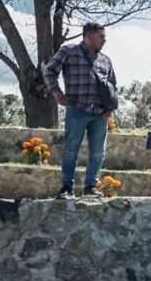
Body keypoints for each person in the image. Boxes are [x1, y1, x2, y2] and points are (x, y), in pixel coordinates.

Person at [43, 22, 117, 199]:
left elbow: (112, 85)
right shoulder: (68, 51)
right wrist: (57, 93)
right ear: (88, 35)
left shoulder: (106, 60)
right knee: (71, 150)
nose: (104, 40)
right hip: (76, 110)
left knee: (98, 153)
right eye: (101, 36)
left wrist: (110, 108)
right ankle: (67, 188)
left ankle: (91, 186)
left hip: (100, 114)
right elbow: (49, 71)